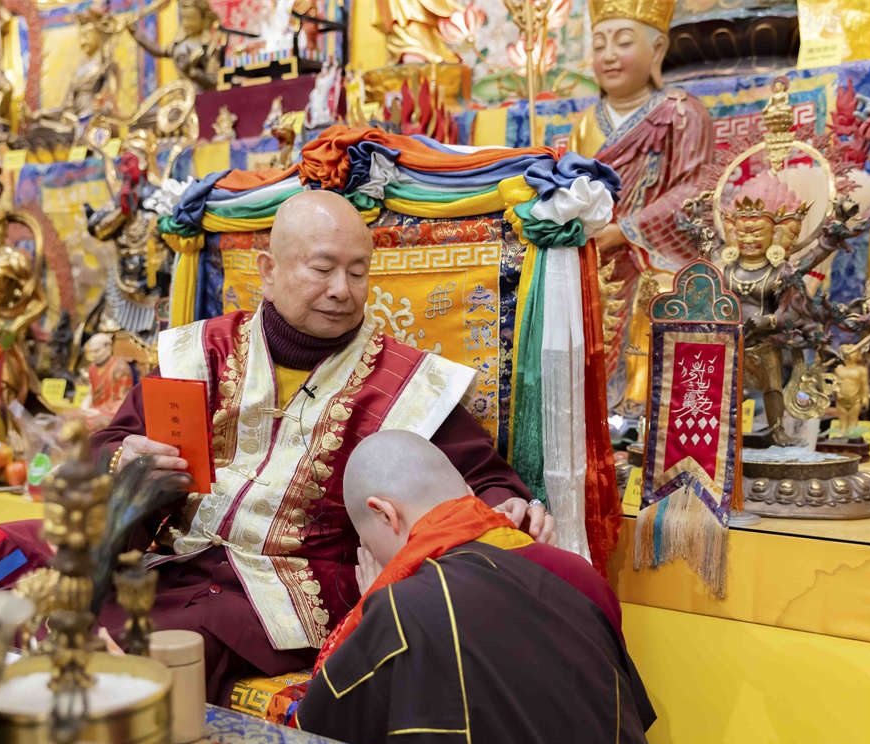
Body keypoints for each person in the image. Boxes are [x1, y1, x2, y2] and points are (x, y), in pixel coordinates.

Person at [89, 190, 555, 703]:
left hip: (287, 598)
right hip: (175, 564)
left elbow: (485, 480)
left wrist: (507, 507)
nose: (342, 291)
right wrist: (124, 459)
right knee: (48, 588)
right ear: (268, 271)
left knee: (150, 656)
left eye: (358, 273)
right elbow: (109, 443)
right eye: (323, 269)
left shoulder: (406, 385)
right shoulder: (204, 352)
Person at [295, 431, 656, 744]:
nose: (376, 559)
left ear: (385, 513)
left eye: (368, 545)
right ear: (467, 492)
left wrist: (374, 603)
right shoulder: (578, 573)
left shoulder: (401, 607)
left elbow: (317, 734)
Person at [568, 0, 714, 413]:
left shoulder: (682, 113)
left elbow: (696, 190)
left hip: (657, 254)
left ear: (658, 50)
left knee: (661, 296)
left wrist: (626, 230)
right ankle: (587, 408)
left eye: (623, 42)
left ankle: (649, 409)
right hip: (594, 251)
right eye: (599, 45)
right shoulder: (586, 123)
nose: (608, 55)